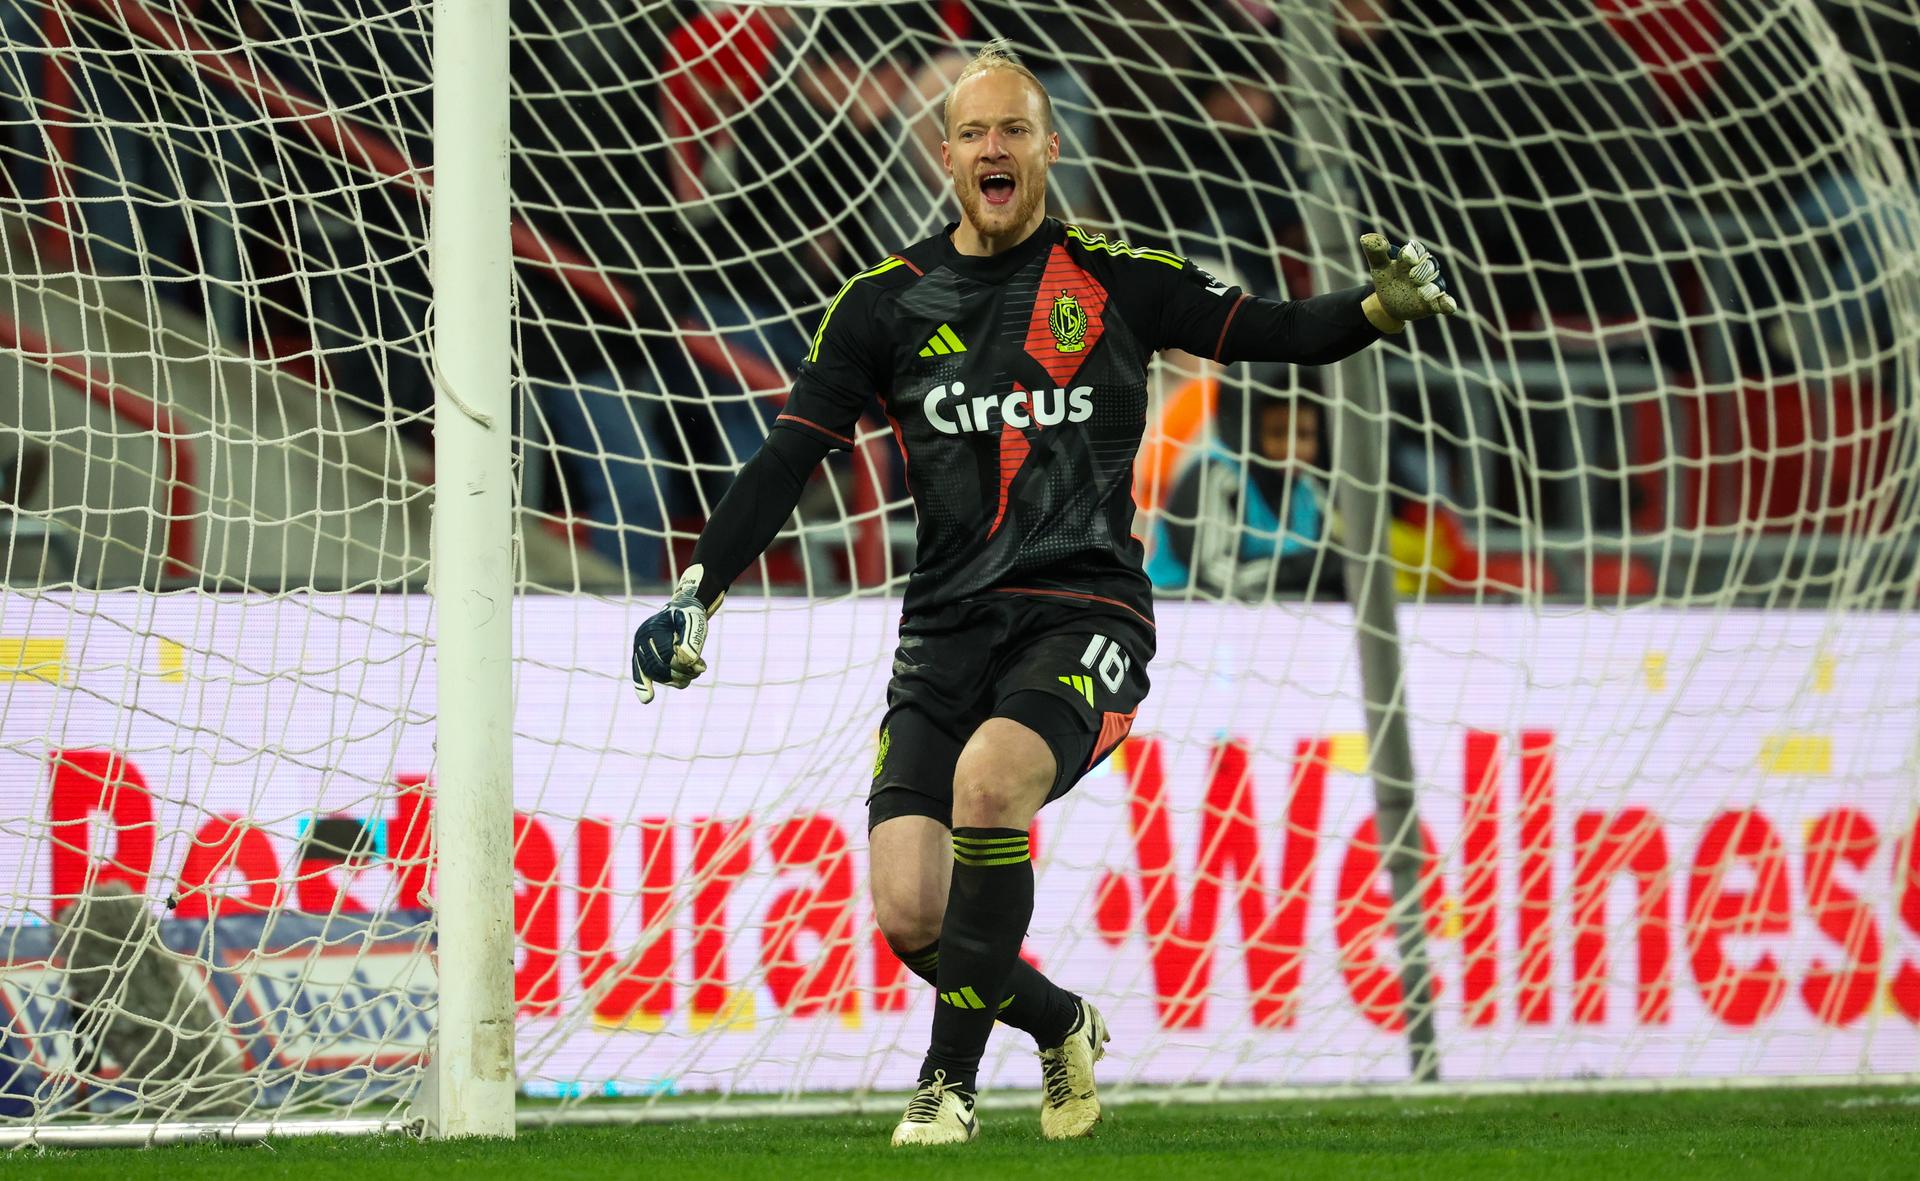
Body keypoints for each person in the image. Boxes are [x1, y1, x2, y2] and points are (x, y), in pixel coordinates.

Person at [631, 40, 1457, 1147]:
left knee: (989, 781)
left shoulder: (1114, 279)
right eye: (973, 132)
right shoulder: (884, 306)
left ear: (1049, 146)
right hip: (945, 631)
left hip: (1086, 614)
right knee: (910, 911)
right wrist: (698, 590)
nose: (993, 147)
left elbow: (1276, 332)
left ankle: (945, 1085)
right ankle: (1060, 1020)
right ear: (944, 156)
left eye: (1014, 128)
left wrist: (1375, 308)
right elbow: (788, 458)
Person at [1147, 371, 1341, 599]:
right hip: (1180, 610)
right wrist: (1295, 571)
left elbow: (1329, 558)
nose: (1293, 449)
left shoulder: (1308, 490)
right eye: (1278, 434)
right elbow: (1212, 573)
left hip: (1273, 613)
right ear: (1247, 430)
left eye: (1305, 435)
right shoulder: (1216, 476)